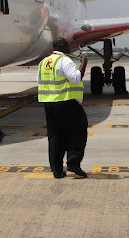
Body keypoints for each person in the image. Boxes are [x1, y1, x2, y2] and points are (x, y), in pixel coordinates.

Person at [37, 38, 89, 179]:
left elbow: (40, 81)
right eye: (67, 45)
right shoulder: (64, 60)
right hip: (65, 102)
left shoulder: (44, 62)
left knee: (55, 137)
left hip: (48, 104)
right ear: (61, 46)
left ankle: (57, 170)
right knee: (78, 130)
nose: (69, 47)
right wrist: (83, 64)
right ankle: (73, 162)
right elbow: (75, 79)